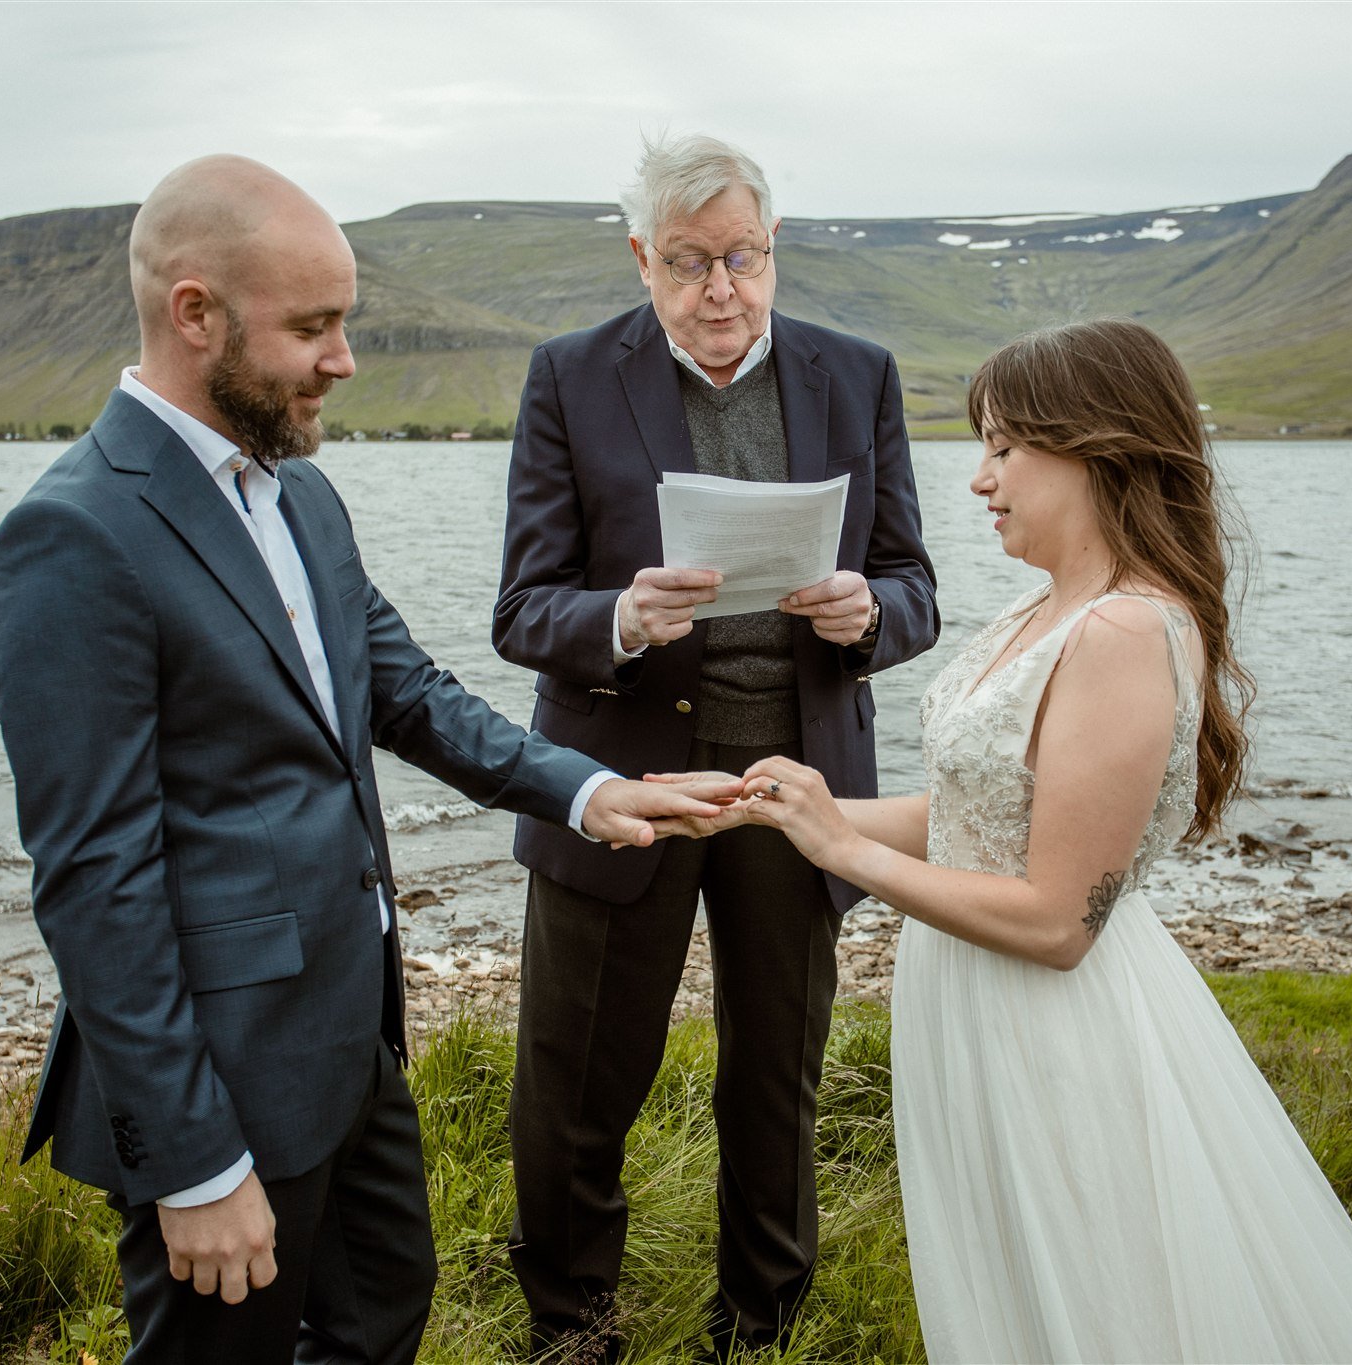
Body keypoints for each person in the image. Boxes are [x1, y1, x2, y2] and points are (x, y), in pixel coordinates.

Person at [0, 154, 738, 1365]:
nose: (343, 360)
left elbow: (410, 696)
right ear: (194, 314)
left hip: (350, 1029)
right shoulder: (72, 536)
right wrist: (193, 1161)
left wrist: (589, 790)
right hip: (221, 1075)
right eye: (314, 327)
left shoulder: (299, 498)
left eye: (347, 322)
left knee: (382, 1308)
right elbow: (93, 879)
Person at [677, 322, 1352, 1362]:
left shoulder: (1125, 631)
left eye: (1002, 449)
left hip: (1055, 1025)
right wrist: (788, 804)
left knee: (1104, 1300)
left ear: (1095, 448)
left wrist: (840, 853)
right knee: (1018, 1291)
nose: (978, 481)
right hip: (975, 1007)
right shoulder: (1041, 611)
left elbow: (1052, 922)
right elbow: (974, 819)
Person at [491, 134, 939, 1360]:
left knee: (774, 1077)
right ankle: (571, 1325)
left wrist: (870, 614)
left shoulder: (858, 376)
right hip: (628, 783)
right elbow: (522, 610)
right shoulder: (569, 377)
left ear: (772, 246)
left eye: (739, 256)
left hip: (793, 789)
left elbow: (914, 586)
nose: (718, 288)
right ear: (643, 259)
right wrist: (619, 619)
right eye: (687, 262)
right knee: (578, 1078)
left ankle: (760, 1322)